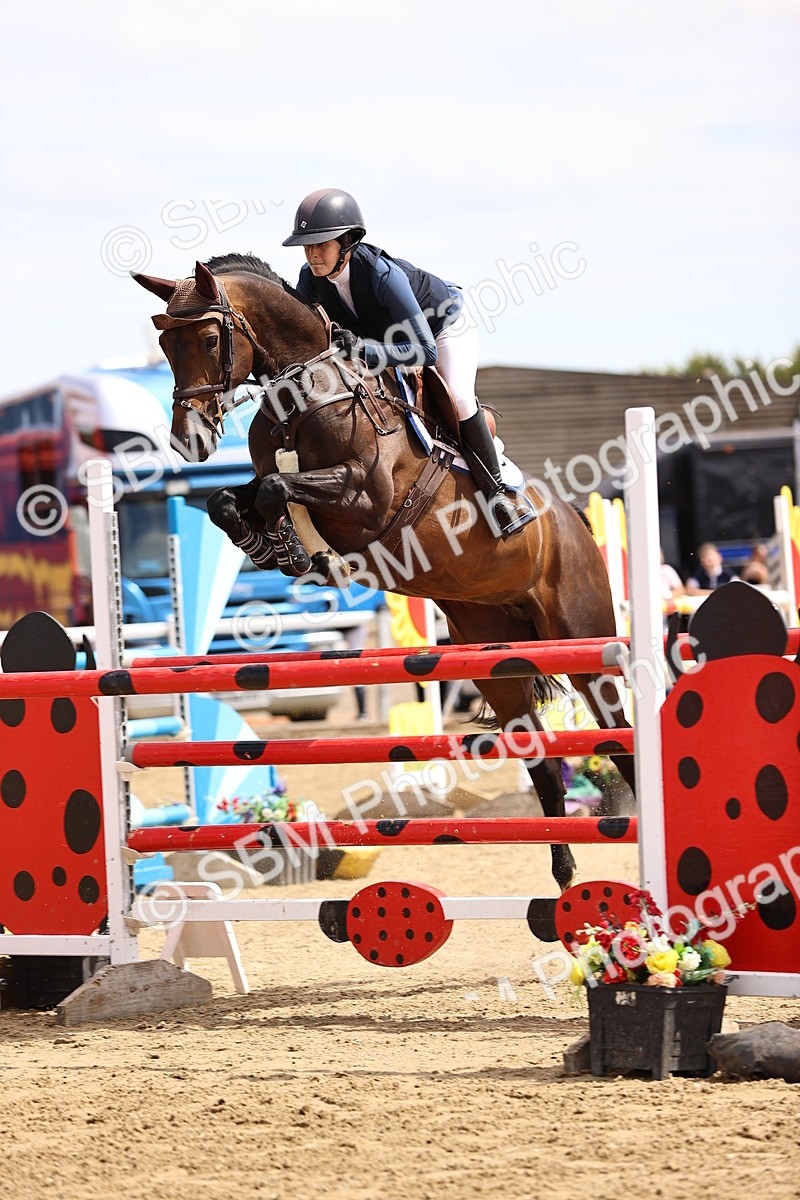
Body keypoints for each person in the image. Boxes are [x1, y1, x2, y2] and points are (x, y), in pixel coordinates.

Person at [282, 187, 534, 539]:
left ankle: (497, 494)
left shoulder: (382, 274)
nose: (312, 254)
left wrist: (365, 350)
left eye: (321, 244)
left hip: (441, 327)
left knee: (459, 398)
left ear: (348, 241)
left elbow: (425, 351)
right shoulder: (310, 280)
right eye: (307, 246)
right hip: (386, 340)